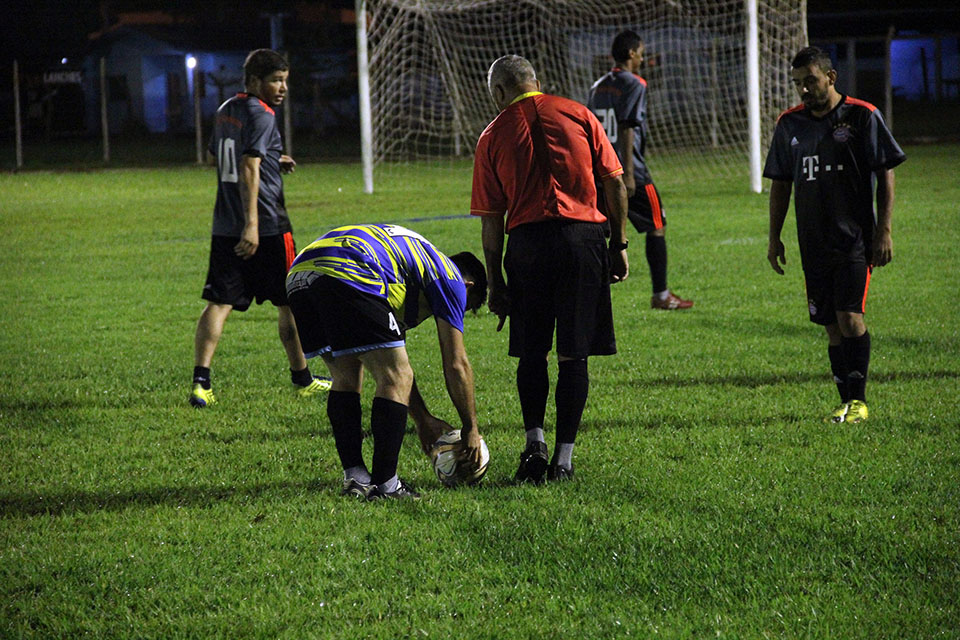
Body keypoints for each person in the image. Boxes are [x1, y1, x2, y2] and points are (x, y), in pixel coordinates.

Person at [471, 54, 630, 484]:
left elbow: (491, 219)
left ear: (500, 92)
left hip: (528, 248)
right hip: (584, 243)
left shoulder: (491, 135)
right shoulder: (578, 113)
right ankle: (563, 460)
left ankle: (534, 443)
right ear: (536, 82)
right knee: (574, 353)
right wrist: (618, 245)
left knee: (531, 350)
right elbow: (615, 182)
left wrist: (495, 280)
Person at [286, 223, 488, 500]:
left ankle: (356, 477)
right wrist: (471, 428)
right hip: (349, 268)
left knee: (346, 376)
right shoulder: (450, 277)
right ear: (468, 286)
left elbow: (392, 360)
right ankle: (386, 485)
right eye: (462, 308)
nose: (454, 315)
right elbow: (456, 363)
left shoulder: (408, 272)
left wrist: (422, 419)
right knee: (396, 375)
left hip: (300, 275)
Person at [764, 46, 905, 423]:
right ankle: (845, 403)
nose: (804, 90)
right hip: (813, 241)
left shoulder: (862, 116)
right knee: (830, 325)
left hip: (854, 239)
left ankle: (859, 402)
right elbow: (780, 184)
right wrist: (774, 236)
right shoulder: (789, 124)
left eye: (810, 80)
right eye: (798, 83)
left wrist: (884, 230)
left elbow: (885, 173)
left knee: (850, 319)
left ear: (831, 77)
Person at [190, 49, 330, 408]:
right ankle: (302, 379)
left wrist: (272, 159)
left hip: (224, 225)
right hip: (266, 227)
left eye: (285, 80)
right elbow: (249, 167)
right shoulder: (262, 113)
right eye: (275, 81)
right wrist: (252, 225)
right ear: (254, 82)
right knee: (289, 302)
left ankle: (200, 383)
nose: (282, 87)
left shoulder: (225, 111)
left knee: (219, 303)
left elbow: (220, 156)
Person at [588, 30, 693, 310]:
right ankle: (661, 295)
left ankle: (594, 296)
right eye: (642, 53)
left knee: (601, 233)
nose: (643, 58)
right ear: (632, 53)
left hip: (599, 170)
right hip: (627, 169)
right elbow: (627, 126)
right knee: (657, 225)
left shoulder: (597, 86)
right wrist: (629, 173)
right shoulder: (635, 83)